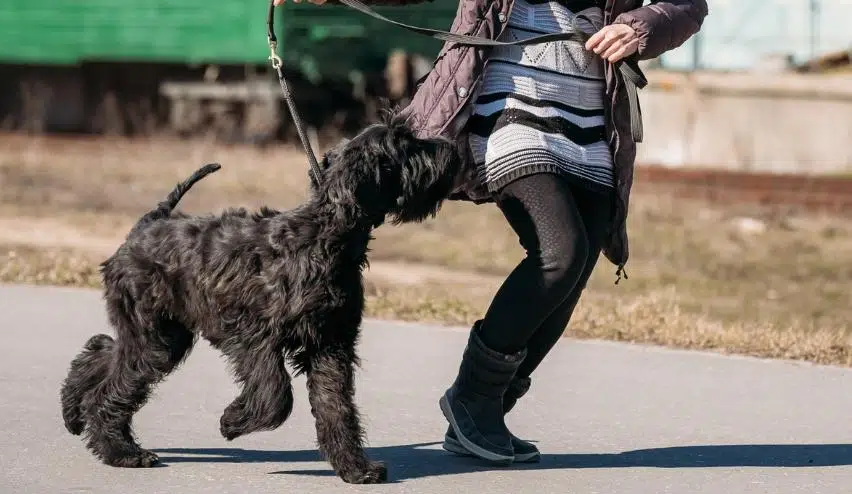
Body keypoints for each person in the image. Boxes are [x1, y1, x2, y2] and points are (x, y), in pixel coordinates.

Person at [275, 0, 709, 465]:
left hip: (591, 111)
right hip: (507, 102)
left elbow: (687, 6)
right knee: (561, 250)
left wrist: (639, 28)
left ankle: (486, 408)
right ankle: (474, 399)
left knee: (576, 266)